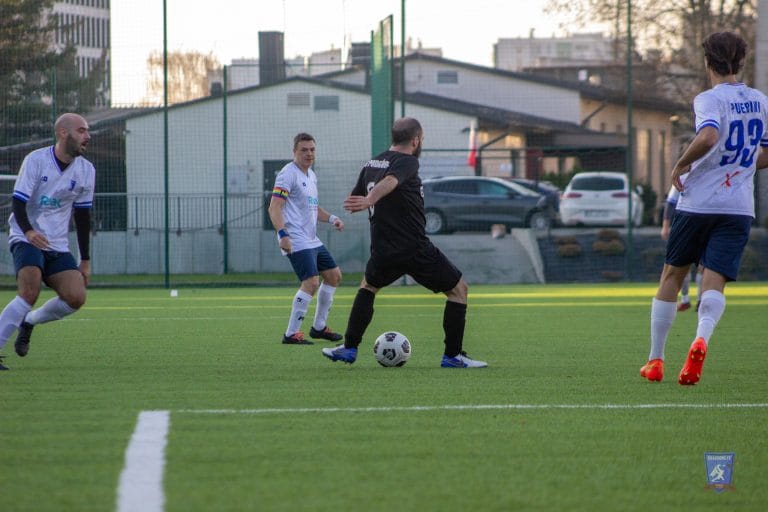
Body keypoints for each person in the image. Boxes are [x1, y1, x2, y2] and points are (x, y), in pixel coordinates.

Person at [640, 31, 768, 385]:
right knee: (714, 282)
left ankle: (655, 361)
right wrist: (739, 168)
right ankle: (701, 339)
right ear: (740, 62)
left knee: (672, 276)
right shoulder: (761, 100)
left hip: (698, 203)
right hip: (738, 207)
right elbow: (766, 153)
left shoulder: (708, 100)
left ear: (707, 62)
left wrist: (679, 164)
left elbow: (709, 136)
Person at [322, 117, 487, 368]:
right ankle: (453, 356)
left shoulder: (373, 161)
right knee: (459, 290)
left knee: (368, 287)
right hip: (413, 246)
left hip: (383, 247)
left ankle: (349, 348)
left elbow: (357, 195)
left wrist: (364, 201)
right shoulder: (408, 161)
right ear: (416, 140)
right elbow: (390, 182)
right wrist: (370, 200)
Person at [0, 113, 95, 371]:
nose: (87, 136)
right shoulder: (36, 161)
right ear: (63, 133)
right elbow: (18, 202)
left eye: (87, 131)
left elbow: (83, 217)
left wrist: (85, 260)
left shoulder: (86, 170)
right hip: (26, 236)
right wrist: (29, 232)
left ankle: (29, 321)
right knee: (29, 292)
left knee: (76, 297)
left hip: (57, 245)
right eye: (81, 130)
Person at [268, 133, 345, 345]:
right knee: (311, 282)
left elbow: (312, 208)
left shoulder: (311, 175)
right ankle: (291, 334)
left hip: (311, 238)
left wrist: (332, 218)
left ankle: (319, 327)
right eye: (304, 150)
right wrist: (282, 234)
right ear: (294, 152)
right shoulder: (287, 174)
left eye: (312, 149)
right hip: (295, 237)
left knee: (333, 276)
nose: (309, 153)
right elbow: (274, 208)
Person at [659, 182, 702, 312]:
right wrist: (665, 226)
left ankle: (698, 300)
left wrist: (665, 227)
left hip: (699, 226)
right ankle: (687, 299)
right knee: (685, 265)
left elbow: (670, 203)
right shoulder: (682, 177)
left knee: (701, 266)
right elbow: (671, 203)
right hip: (686, 227)